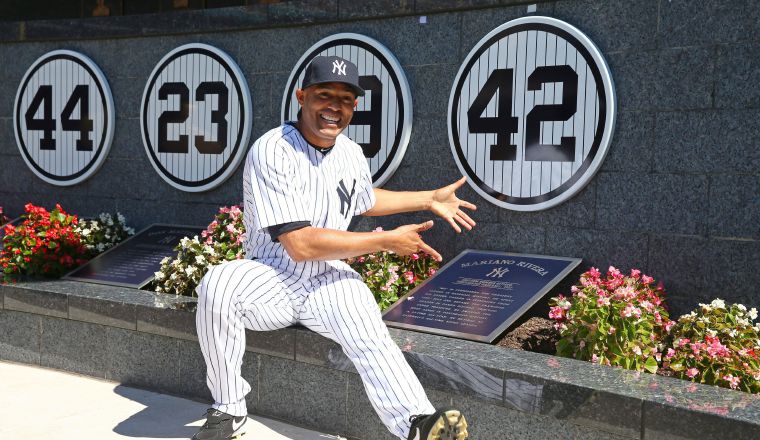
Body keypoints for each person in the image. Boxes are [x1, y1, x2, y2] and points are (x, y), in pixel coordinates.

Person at [192, 55, 476, 440]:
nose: (334, 107)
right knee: (219, 285)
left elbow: (363, 199)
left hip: (329, 279)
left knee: (366, 328)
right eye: (324, 95)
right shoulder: (272, 149)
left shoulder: (351, 153)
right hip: (272, 276)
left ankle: (417, 423)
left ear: (355, 106)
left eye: (345, 99)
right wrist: (385, 241)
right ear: (302, 96)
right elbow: (299, 244)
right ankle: (228, 409)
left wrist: (429, 198)